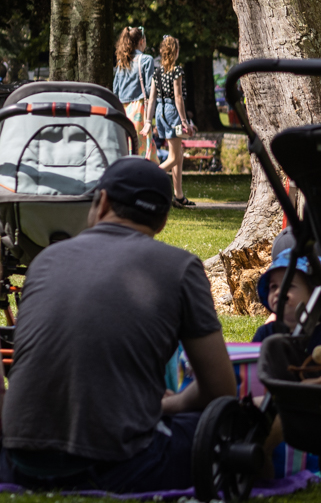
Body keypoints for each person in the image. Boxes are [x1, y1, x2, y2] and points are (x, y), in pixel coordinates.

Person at [0, 157, 236, 493]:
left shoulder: (45, 261)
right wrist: (169, 404)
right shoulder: (180, 267)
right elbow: (220, 390)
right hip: (121, 464)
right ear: (163, 221)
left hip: (18, 461)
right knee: (248, 419)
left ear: (103, 201)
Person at [253, 248, 321, 348]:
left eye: (288, 285)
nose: (278, 292)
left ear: (313, 293)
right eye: (273, 286)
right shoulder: (264, 333)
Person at [143, 35, 193, 208]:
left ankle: (178, 195)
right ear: (176, 51)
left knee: (178, 154)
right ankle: (148, 179)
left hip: (160, 112)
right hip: (172, 112)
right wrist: (184, 120)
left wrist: (148, 121)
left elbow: (151, 99)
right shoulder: (177, 71)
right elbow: (178, 97)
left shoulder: (157, 73)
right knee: (174, 157)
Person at [112, 27, 158, 164]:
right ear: (141, 41)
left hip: (123, 111)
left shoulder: (122, 62)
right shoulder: (146, 60)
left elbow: (115, 90)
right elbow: (149, 90)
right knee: (142, 151)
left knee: (128, 149)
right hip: (139, 110)